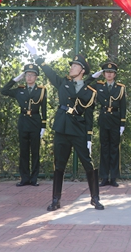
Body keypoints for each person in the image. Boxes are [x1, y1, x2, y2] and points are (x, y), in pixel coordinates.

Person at [27, 44, 104, 211]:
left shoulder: (90, 91)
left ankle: (95, 198)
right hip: (62, 127)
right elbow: (50, 73)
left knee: (88, 164)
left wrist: (89, 137)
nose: (71, 67)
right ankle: (56, 200)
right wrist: (38, 59)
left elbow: (89, 115)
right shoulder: (63, 83)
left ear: (82, 70)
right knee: (59, 165)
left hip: (78, 129)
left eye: (75, 66)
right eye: (72, 65)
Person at [1, 63, 47, 187]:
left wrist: (43, 125)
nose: (29, 77)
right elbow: (3, 91)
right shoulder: (19, 90)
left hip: (36, 121)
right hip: (23, 121)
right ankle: (24, 178)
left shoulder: (41, 91)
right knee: (24, 151)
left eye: (32, 75)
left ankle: (34, 178)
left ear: (36, 77)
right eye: (27, 75)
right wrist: (15, 79)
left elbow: (44, 109)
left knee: (35, 151)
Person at [89, 62, 127, 187]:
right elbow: (84, 86)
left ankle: (114, 177)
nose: (109, 74)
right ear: (104, 74)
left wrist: (122, 123)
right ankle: (104, 177)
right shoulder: (99, 86)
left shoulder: (120, 88)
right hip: (104, 118)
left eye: (111, 72)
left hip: (115, 120)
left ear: (115, 74)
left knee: (114, 149)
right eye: (106, 72)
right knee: (104, 148)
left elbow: (123, 106)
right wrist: (93, 77)